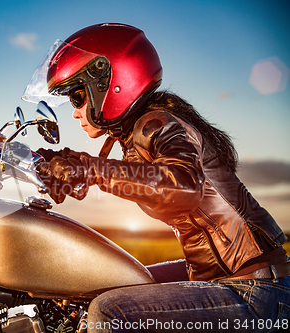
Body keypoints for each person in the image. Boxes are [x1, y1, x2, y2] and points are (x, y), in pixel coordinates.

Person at [22, 23, 290, 332]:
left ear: (112, 83)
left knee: (109, 311)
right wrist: (43, 160)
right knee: (107, 282)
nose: (75, 112)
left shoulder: (159, 123)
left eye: (78, 97)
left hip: (257, 293)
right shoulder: (137, 131)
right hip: (225, 278)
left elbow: (183, 186)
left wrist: (90, 169)